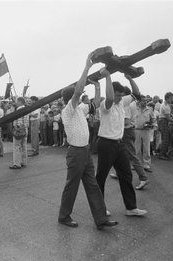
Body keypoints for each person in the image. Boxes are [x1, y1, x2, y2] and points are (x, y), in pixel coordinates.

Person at [58, 52, 118, 230]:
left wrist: (97, 86)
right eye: (80, 95)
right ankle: (64, 216)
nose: (83, 96)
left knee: (92, 186)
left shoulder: (80, 109)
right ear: (72, 98)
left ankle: (101, 218)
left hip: (84, 151)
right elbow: (77, 91)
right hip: (76, 153)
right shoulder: (68, 110)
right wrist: (87, 67)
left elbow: (96, 102)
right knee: (72, 187)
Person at [95, 67, 147, 217]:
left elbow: (137, 94)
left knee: (126, 175)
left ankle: (131, 208)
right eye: (117, 95)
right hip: (106, 144)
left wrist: (130, 78)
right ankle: (100, 208)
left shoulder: (121, 101)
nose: (119, 98)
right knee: (101, 177)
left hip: (119, 144)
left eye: (120, 95)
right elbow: (110, 98)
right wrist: (107, 76)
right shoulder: (105, 105)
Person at [134, 95, 155, 172]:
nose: (145, 102)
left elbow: (153, 120)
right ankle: (137, 164)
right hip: (136, 130)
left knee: (146, 148)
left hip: (146, 130)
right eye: (143, 100)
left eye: (146, 100)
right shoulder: (134, 109)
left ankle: (146, 165)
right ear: (139, 101)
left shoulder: (150, 110)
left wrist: (151, 125)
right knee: (137, 148)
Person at [9, 97, 29, 169]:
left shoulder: (19, 109)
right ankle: (24, 162)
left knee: (16, 146)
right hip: (25, 129)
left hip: (19, 129)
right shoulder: (26, 109)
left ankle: (17, 164)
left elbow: (17, 120)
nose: (16, 103)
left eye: (17, 101)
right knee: (24, 146)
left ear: (20, 102)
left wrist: (16, 127)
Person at [158, 92, 173, 160]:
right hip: (164, 121)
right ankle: (162, 154)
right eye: (171, 98)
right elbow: (168, 118)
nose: (172, 100)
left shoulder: (164, 104)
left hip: (162, 121)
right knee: (165, 139)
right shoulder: (166, 106)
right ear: (167, 98)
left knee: (165, 139)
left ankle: (163, 153)